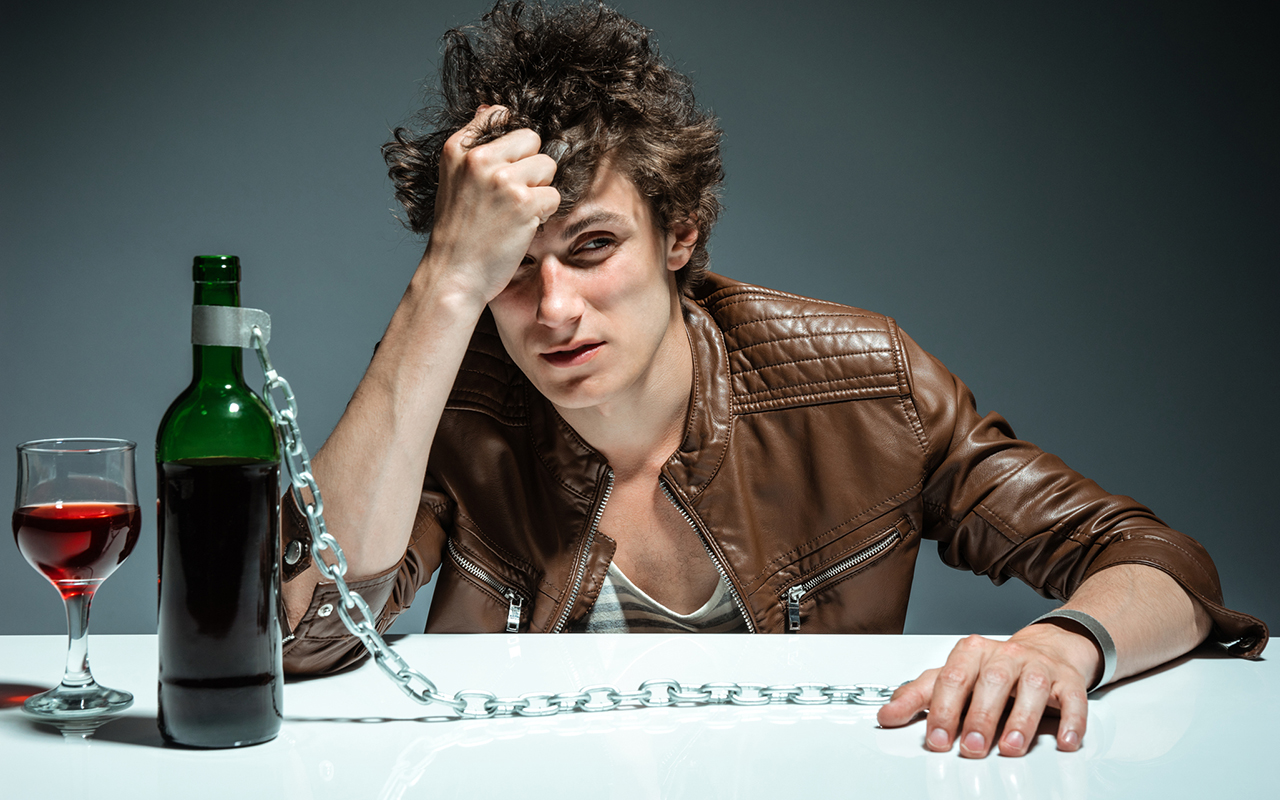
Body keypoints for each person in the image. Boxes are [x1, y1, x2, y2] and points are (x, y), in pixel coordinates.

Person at [277, 1, 1267, 758]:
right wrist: (443, 286)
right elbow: (303, 632)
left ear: (678, 232)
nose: (554, 306)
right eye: (507, 264)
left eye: (591, 245)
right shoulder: (449, 391)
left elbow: (1155, 561)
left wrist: (1060, 647)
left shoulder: (860, 387)